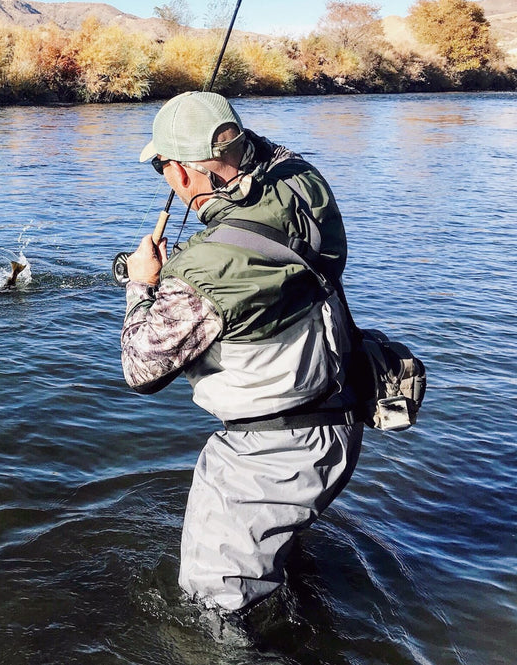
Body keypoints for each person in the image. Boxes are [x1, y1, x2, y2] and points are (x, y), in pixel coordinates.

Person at [121, 90, 363, 614]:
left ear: (182, 173)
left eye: (161, 166)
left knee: (213, 614)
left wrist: (142, 286)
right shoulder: (303, 182)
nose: (163, 177)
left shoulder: (210, 270)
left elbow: (141, 368)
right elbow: (265, 166)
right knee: (285, 571)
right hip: (339, 416)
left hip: (272, 455)